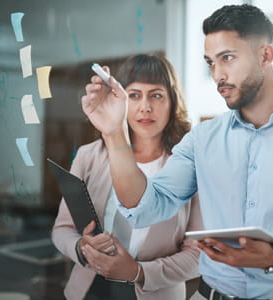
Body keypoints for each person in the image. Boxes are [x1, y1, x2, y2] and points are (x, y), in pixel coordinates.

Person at [81, 4, 273, 300]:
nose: (217, 75)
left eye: (228, 58)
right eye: (210, 62)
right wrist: (114, 131)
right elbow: (144, 208)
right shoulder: (203, 138)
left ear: (265, 55)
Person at [52, 54, 203, 300]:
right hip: (89, 290)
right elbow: (62, 229)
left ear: (172, 102)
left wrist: (138, 272)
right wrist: (81, 247)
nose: (145, 106)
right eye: (134, 95)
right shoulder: (89, 156)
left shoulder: (189, 166)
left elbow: (199, 254)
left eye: (156, 95)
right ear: (118, 99)